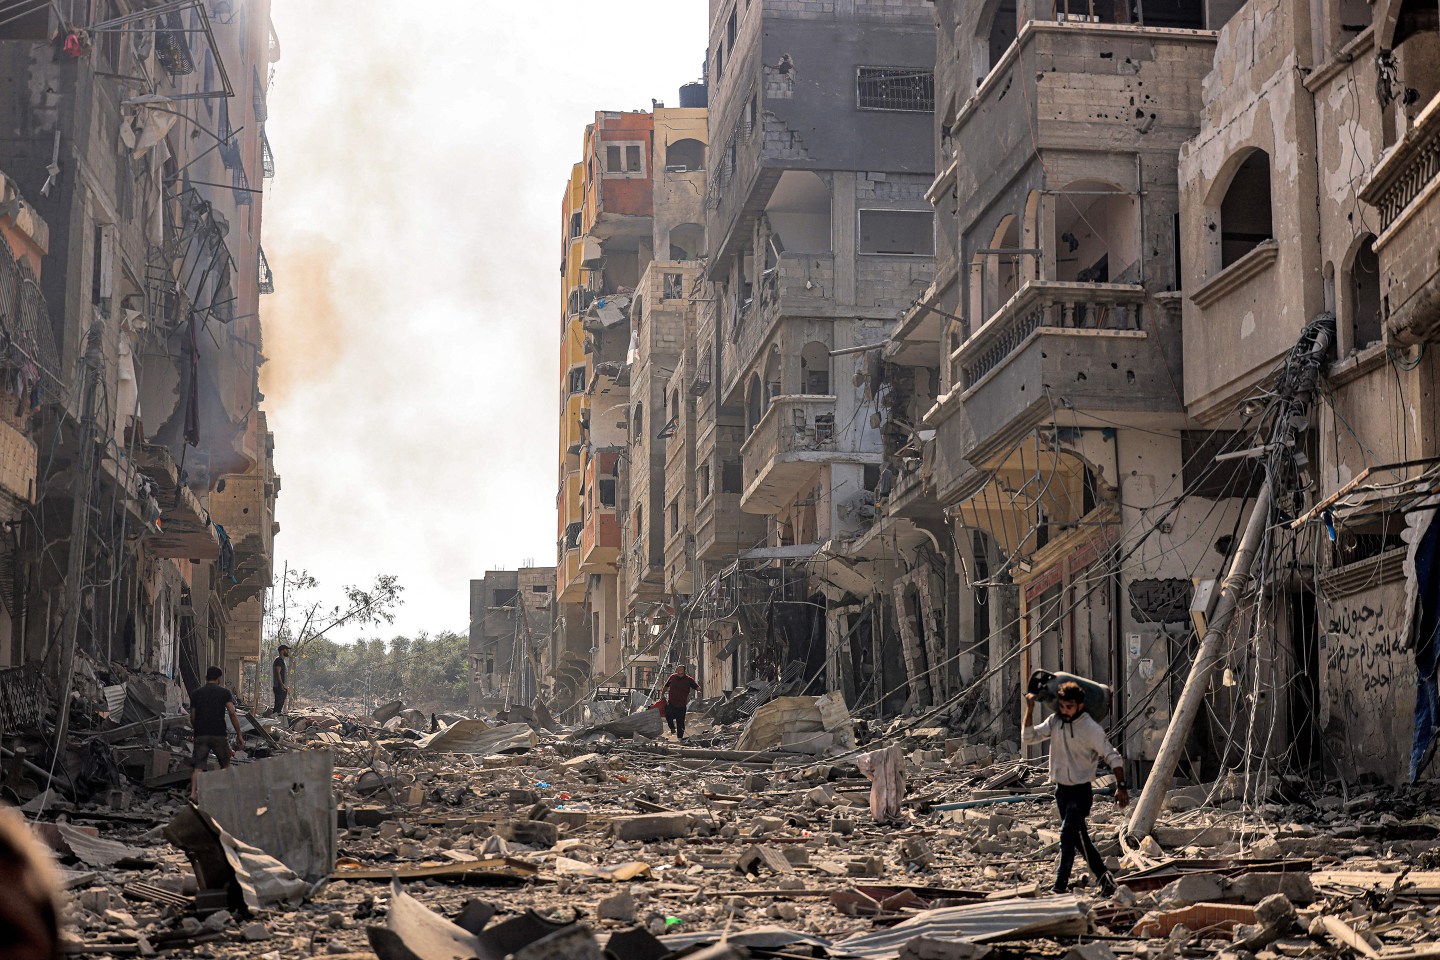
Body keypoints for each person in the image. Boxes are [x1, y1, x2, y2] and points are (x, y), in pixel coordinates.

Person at [1022, 681, 1127, 896]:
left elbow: (1113, 757)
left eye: (1069, 707)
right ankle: (1106, 880)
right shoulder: (1055, 721)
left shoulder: (1091, 729)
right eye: (1062, 706)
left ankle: (1059, 886)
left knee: (1066, 836)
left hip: (1081, 792)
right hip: (1061, 791)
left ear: (1080, 705)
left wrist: (1121, 787)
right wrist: (1030, 709)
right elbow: (1029, 737)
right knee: (1080, 840)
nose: (1065, 711)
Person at [189, 666, 245, 802]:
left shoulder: (196, 693)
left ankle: (193, 794)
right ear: (219, 678)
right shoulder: (224, 693)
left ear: (206, 677)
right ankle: (225, 793)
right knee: (225, 764)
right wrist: (239, 734)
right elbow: (232, 712)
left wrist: (197, 729)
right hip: (219, 733)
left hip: (201, 734)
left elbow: (192, 716)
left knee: (198, 767)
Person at [661, 664, 700, 740]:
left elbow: (696, 686)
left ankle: (680, 738)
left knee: (680, 722)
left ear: (684, 671)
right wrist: (662, 694)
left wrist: (699, 691)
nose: (680, 672)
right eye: (678, 670)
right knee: (668, 715)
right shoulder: (673, 677)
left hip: (682, 705)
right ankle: (672, 728)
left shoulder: (688, 679)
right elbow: (666, 686)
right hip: (672, 702)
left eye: (681, 670)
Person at [272, 644, 291, 715]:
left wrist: (286, 686)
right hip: (279, 687)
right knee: (277, 707)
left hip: (282, 686)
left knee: (279, 706)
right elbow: (278, 673)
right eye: (286, 650)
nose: (287, 652)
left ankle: (276, 719)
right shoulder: (279, 660)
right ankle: (274, 720)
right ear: (282, 651)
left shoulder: (282, 660)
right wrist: (282, 685)